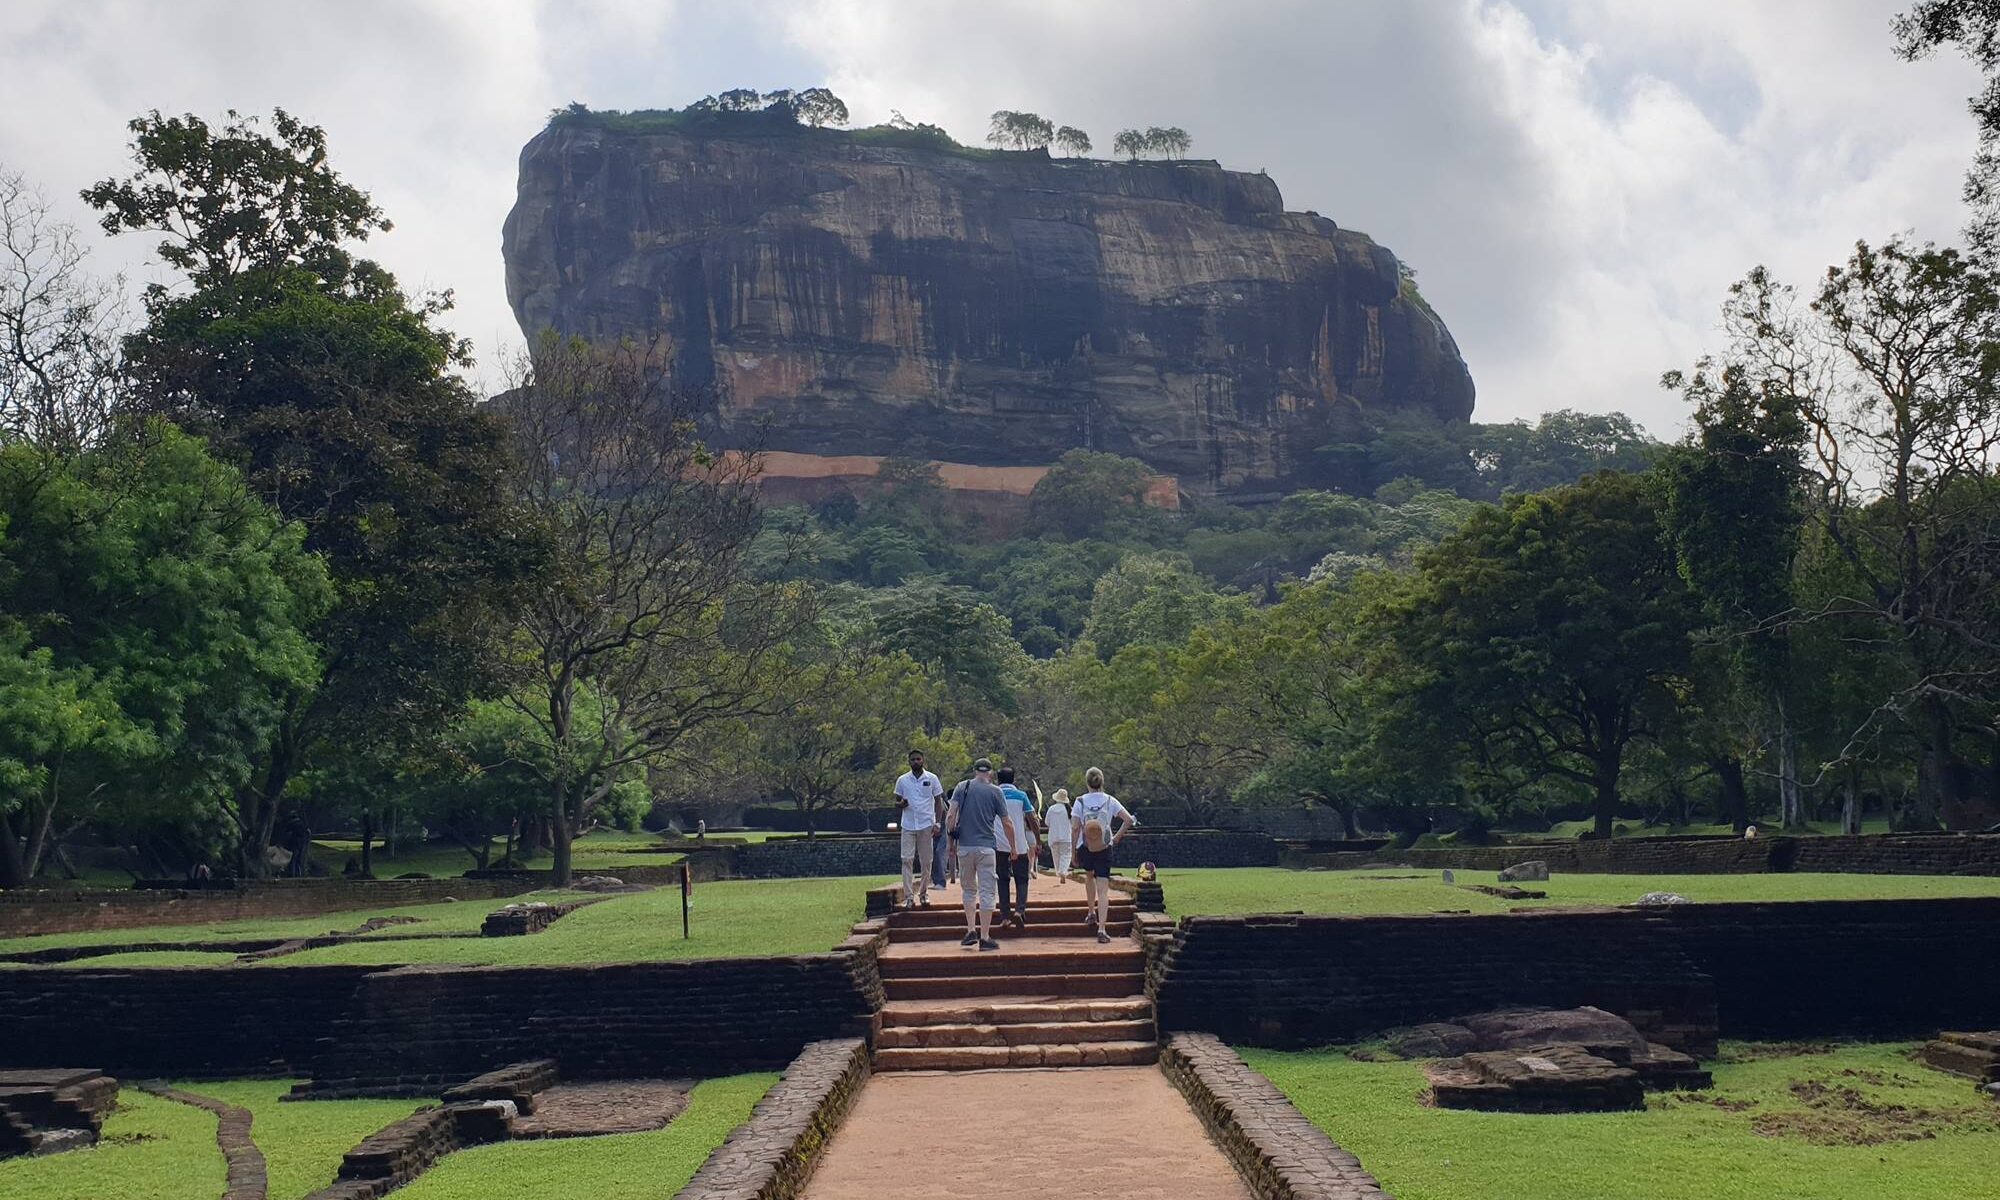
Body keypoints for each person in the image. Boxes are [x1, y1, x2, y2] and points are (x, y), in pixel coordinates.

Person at [945, 758, 1021, 950]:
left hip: (965, 847)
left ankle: (971, 929)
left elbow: (951, 816)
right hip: (986, 847)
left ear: (974, 770)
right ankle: (985, 936)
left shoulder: (962, 787)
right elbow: (1007, 822)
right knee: (987, 891)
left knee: (969, 890)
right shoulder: (995, 792)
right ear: (990, 772)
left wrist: (951, 842)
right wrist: (1013, 847)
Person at [1071, 766, 1135, 944]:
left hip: (1086, 845)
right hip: (1104, 846)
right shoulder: (1109, 800)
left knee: (1089, 876)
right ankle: (1102, 928)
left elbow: (1075, 827)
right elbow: (1128, 820)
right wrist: (1116, 838)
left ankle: (1091, 911)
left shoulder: (1080, 802)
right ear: (1102, 781)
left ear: (1087, 782)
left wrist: (1073, 851)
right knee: (1103, 888)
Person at [892, 750, 946, 907]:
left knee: (926, 861)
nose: (916, 761)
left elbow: (938, 801)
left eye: (918, 759)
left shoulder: (932, 778)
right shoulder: (902, 780)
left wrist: (937, 823)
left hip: (926, 824)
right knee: (906, 859)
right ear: (909, 762)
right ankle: (909, 896)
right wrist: (901, 804)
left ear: (923, 760)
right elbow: (897, 801)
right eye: (913, 759)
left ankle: (923, 893)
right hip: (908, 824)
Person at [994, 767, 1039, 930]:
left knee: (1002, 879)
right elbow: (1032, 818)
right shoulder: (1021, 796)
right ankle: (1020, 910)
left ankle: (1005, 916)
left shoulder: (993, 794)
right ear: (1013, 779)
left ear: (998, 780)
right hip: (1019, 844)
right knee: (1022, 879)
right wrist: (1038, 839)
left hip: (999, 843)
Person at [1044, 789, 1073, 883]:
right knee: (1066, 855)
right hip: (1066, 837)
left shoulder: (1051, 809)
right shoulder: (1068, 810)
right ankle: (1063, 871)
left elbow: (1046, 822)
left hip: (1054, 836)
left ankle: (1059, 872)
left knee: (1056, 857)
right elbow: (1073, 823)